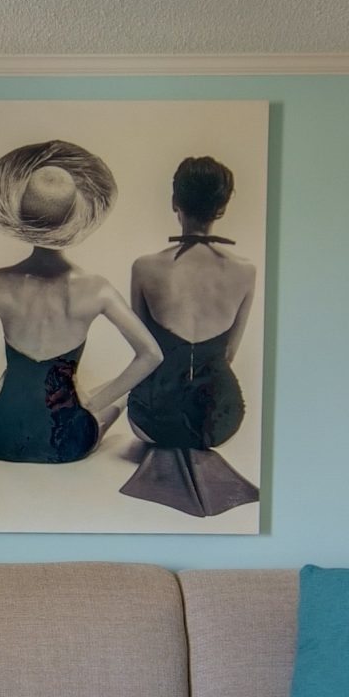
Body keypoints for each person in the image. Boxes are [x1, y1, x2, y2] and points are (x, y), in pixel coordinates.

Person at [0, 140, 160, 464]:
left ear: (22, 218)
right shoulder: (98, 289)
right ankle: (89, 406)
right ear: (74, 219)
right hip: (69, 444)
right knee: (116, 403)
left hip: (0, 438)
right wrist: (95, 402)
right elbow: (151, 355)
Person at [121, 155, 260, 516]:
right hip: (221, 421)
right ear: (223, 208)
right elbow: (227, 355)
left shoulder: (144, 267)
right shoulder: (245, 271)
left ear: (174, 202)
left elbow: (143, 352)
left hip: (152, 421)